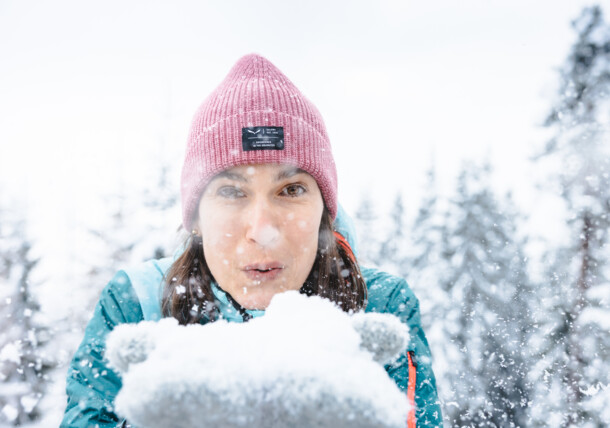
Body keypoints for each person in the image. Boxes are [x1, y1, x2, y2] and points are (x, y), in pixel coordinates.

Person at [61, 54, 443, 427]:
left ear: (324, 214)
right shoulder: (136, 306)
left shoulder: (379, 307)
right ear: (196, 219)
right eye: (231, 192)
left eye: (291, 190)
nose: (262, 229)